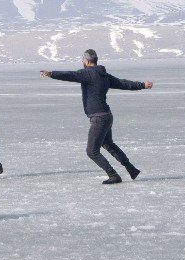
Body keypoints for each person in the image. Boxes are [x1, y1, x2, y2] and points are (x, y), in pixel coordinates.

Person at [40, 49, 152, 184]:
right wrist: (142, 85)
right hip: (106, 116)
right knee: (108, 144)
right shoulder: (104, 75)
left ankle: (113, 175)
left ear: (87, 61)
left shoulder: (86, 73)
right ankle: (131, 169)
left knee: (92, 151)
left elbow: (70, 75)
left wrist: (51, 74)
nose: (82, 62)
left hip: (99, 118)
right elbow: (123, 83)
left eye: (82, 60)